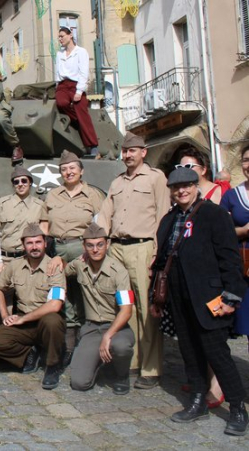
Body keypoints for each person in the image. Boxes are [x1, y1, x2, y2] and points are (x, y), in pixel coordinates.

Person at [153, 167, 247, 435]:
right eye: (176, 187)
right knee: (190, 352)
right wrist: (156, 299)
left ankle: (238, 407)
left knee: (217, 354)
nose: (181, 190)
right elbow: (161, 262)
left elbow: (230, 259)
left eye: (186, 185)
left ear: (196, 186)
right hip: (178, 297)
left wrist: (231, 295)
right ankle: (198, 400)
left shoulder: (214, 215)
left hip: (208, 297)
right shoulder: (169, 220)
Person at [96, 132, 169, 389]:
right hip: (117, 248)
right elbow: (105, 214)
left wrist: (157, 254)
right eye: (125, 151)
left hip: (143, 247)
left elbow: (163, 216)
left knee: (147, 310)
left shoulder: (156, 178)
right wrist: (100, 242)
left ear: (143, 152)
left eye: (133, 151)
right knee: (125, 307)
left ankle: (151, 368)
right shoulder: (117, 182)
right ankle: (133, 361)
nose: (128, 155)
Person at [40, 150, 104, 365]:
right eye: (64, 169)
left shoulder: (93, 195)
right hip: (58, 248)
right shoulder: (53, 195)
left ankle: (88, 344)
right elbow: (45, 223)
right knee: (64, 297)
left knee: (86, 294)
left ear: (81, 171)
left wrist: (92, 251)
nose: (68, 172)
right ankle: (68, 346)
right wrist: (48, 251)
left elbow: (99, 225)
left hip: (83, 248)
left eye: (72, 169)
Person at [0, 223, 67, 390]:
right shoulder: (15, 265)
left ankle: (52, 366)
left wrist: (23, 319)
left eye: (38, 242)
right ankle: (29, 354)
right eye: (30, 243)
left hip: (44, 322)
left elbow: (55, 305)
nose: (34, 247)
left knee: (53, 321)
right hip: (23, 322)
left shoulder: (54, 266)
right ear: (23, 245)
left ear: (45, 243)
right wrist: (4, 316)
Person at [64, 223, 135, 395]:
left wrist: (108, 336)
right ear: (84, 246)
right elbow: (65, 270)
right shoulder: (80, 265)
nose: (95, 250)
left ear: (107, 244)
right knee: (79, 383)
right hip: (91, 328)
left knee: (121, 347)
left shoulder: (119, 272)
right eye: (90, 245)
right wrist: (57, 260)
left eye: (100, 244)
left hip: (116, 328)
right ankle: (100, 363)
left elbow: (126, 310)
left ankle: (121, 375)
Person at [55, 27, 99, 158]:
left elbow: (83, 72)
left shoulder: (81, 52)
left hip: (76, 85)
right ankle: (76, 121)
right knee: (61, 103)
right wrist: (57, 86)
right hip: (63, 85)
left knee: (82, 111)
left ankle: (93, 146)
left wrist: (79, 91)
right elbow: (58, 72)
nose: (60, 39)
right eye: (59, 37)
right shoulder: (59, 54)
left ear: (70, 35)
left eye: (62, 36)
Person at [220, 145, 249, 342]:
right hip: (244, 267)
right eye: (246, 159)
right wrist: (244, 230)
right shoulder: (232, 196)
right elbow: (221, 232)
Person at [0, 167, 43, 275]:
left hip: (28, 259)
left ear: (30, 183)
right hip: (5, 260)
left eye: (24, 180)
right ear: (13, 185)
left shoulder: (39, 205)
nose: (20, 184)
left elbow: (43, 234)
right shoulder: (2, 203)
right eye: (16, 182)